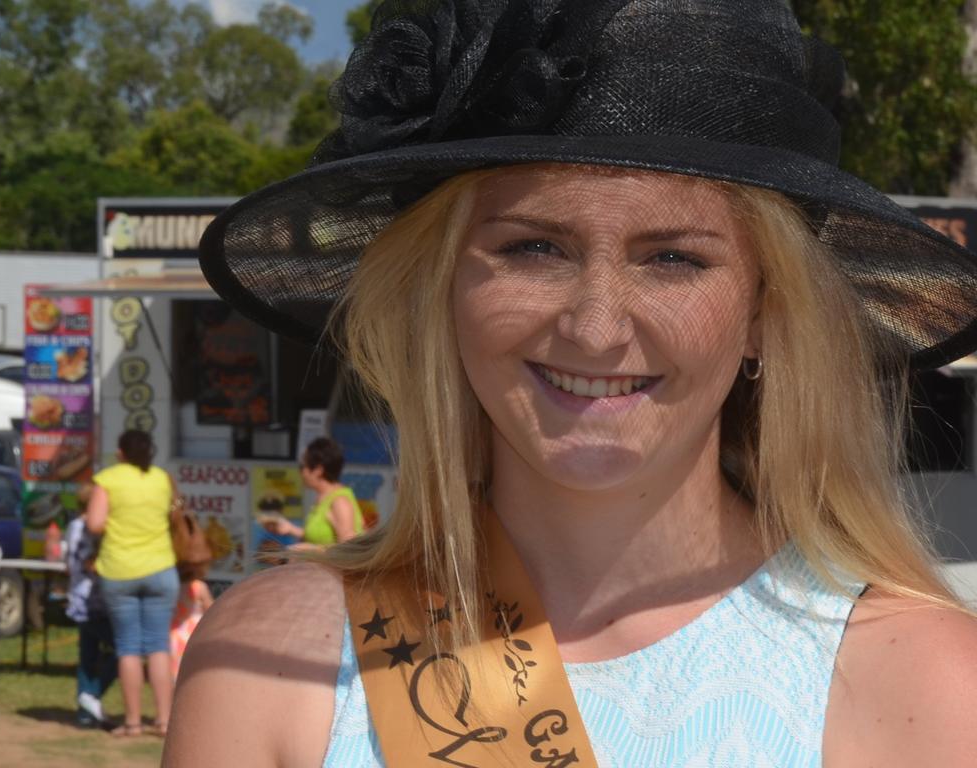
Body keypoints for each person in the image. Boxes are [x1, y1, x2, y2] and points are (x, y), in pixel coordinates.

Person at [166, 2, 977, 766]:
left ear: (765, 308)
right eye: (533, 248)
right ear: (442, 288)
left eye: (674, 259)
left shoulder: (921, 685)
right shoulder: (274, 671)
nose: (595, 328)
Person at [87, 429, 178, 738]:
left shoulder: (108, 479)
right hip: (162, 568)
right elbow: (171, 514)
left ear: (121, 452)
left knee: (128, 647)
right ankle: (165, 721)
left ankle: (133, 722)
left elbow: (95, 523)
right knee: (158, 646)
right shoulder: (161, 478)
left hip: (120, 569)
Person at [260, 437, 364, 551]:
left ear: (318, 470)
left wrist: (312, 550)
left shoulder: (339, 502)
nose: (301, 473)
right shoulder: (324, 499)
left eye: (302, 466)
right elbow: (321, 538)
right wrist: (290, 529)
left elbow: (349, 550)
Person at [64, 507, 116, 728]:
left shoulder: (74, 526)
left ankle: (85, 714)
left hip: (83, 599)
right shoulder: (90, 528)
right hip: (92, 601)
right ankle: (92, 694)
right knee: (124, 649)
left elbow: (70, 562)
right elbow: (87, 562)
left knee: (88, 656)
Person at [169, 563, 214, 680]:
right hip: (195, 631)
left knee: (176, 671)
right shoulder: (199, 587)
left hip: (174, 634)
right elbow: (211, 609)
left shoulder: (171, 587)